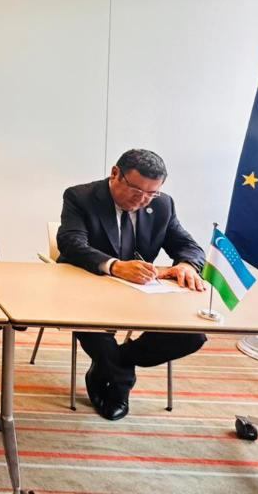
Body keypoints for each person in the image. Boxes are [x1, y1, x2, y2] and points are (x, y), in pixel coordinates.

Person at [57, 148, 207, 421]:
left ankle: (114, 363)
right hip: (85, 291)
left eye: (151, 193)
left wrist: (187, 264)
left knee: (192, 335)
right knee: (95, 332)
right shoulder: (81, 197)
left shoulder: (163, 205)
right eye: (136, 190)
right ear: (115, 173)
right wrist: (115, 266)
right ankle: (121, 384)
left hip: (140, 294)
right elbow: (71, 243)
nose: (142, 199)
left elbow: (188, 245)